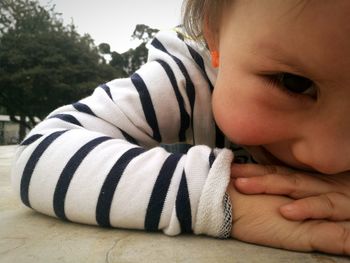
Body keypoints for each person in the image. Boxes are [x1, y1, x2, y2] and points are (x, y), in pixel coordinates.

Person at [11, 0, 350, 255]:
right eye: (294, 83)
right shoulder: (183, 80)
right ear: (215, 38)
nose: (330, 158)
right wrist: (219, 200)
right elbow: (40, 152)